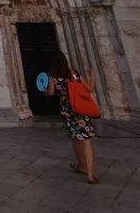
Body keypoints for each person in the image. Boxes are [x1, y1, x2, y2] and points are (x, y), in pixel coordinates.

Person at [45, 50, 98, 184]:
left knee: (75, 139)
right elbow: (90, 88)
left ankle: (81, 166)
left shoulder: (52, 76)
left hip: (67, 110)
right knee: (87, 140)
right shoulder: (74, 74)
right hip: (80, 108)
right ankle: (90, 173)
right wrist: (92, 77)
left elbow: (51, 93)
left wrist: (44, 90)